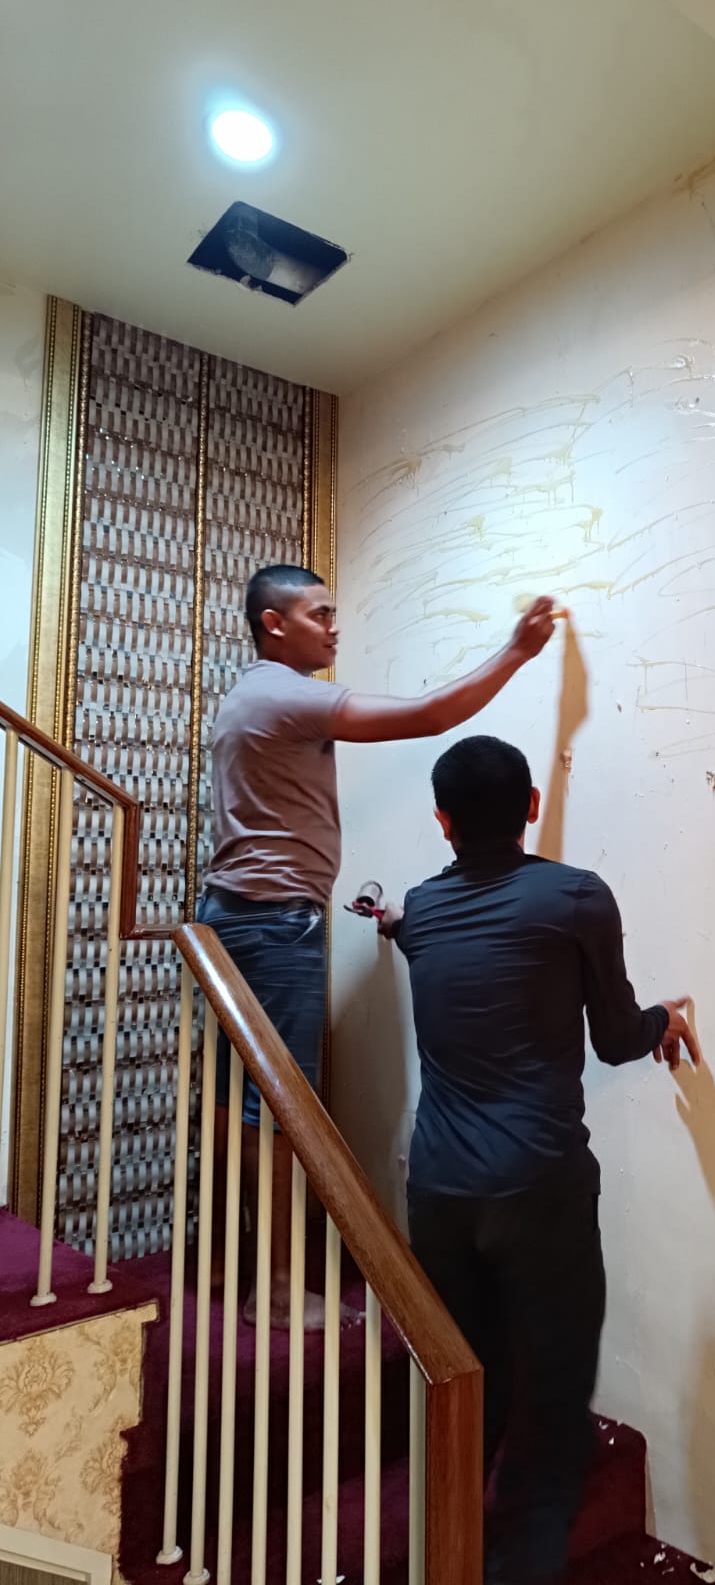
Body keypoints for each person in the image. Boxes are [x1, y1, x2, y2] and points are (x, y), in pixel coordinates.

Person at [199, 565, 557, 1329]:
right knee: (283, 1108)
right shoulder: (284, 693)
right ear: (273, 625)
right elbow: (429, 715)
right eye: (320, 614)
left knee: (236, 1102)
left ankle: (237, 1260)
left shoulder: (244, 696)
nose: (334, 628)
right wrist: (517, 651)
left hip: (231, 916)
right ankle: (280, 1287)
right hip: (274, 924)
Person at [377, 734, 697, 1585]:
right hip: (541, 1190)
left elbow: (418, 929)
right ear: (531, 806)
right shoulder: (577, 897)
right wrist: (667, 1019)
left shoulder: (420, 911)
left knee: (458, 1383)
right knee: (552, 1399)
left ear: (441, 821)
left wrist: (393, 920)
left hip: (439, 1193)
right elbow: (618, 1038)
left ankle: (445, 1554)